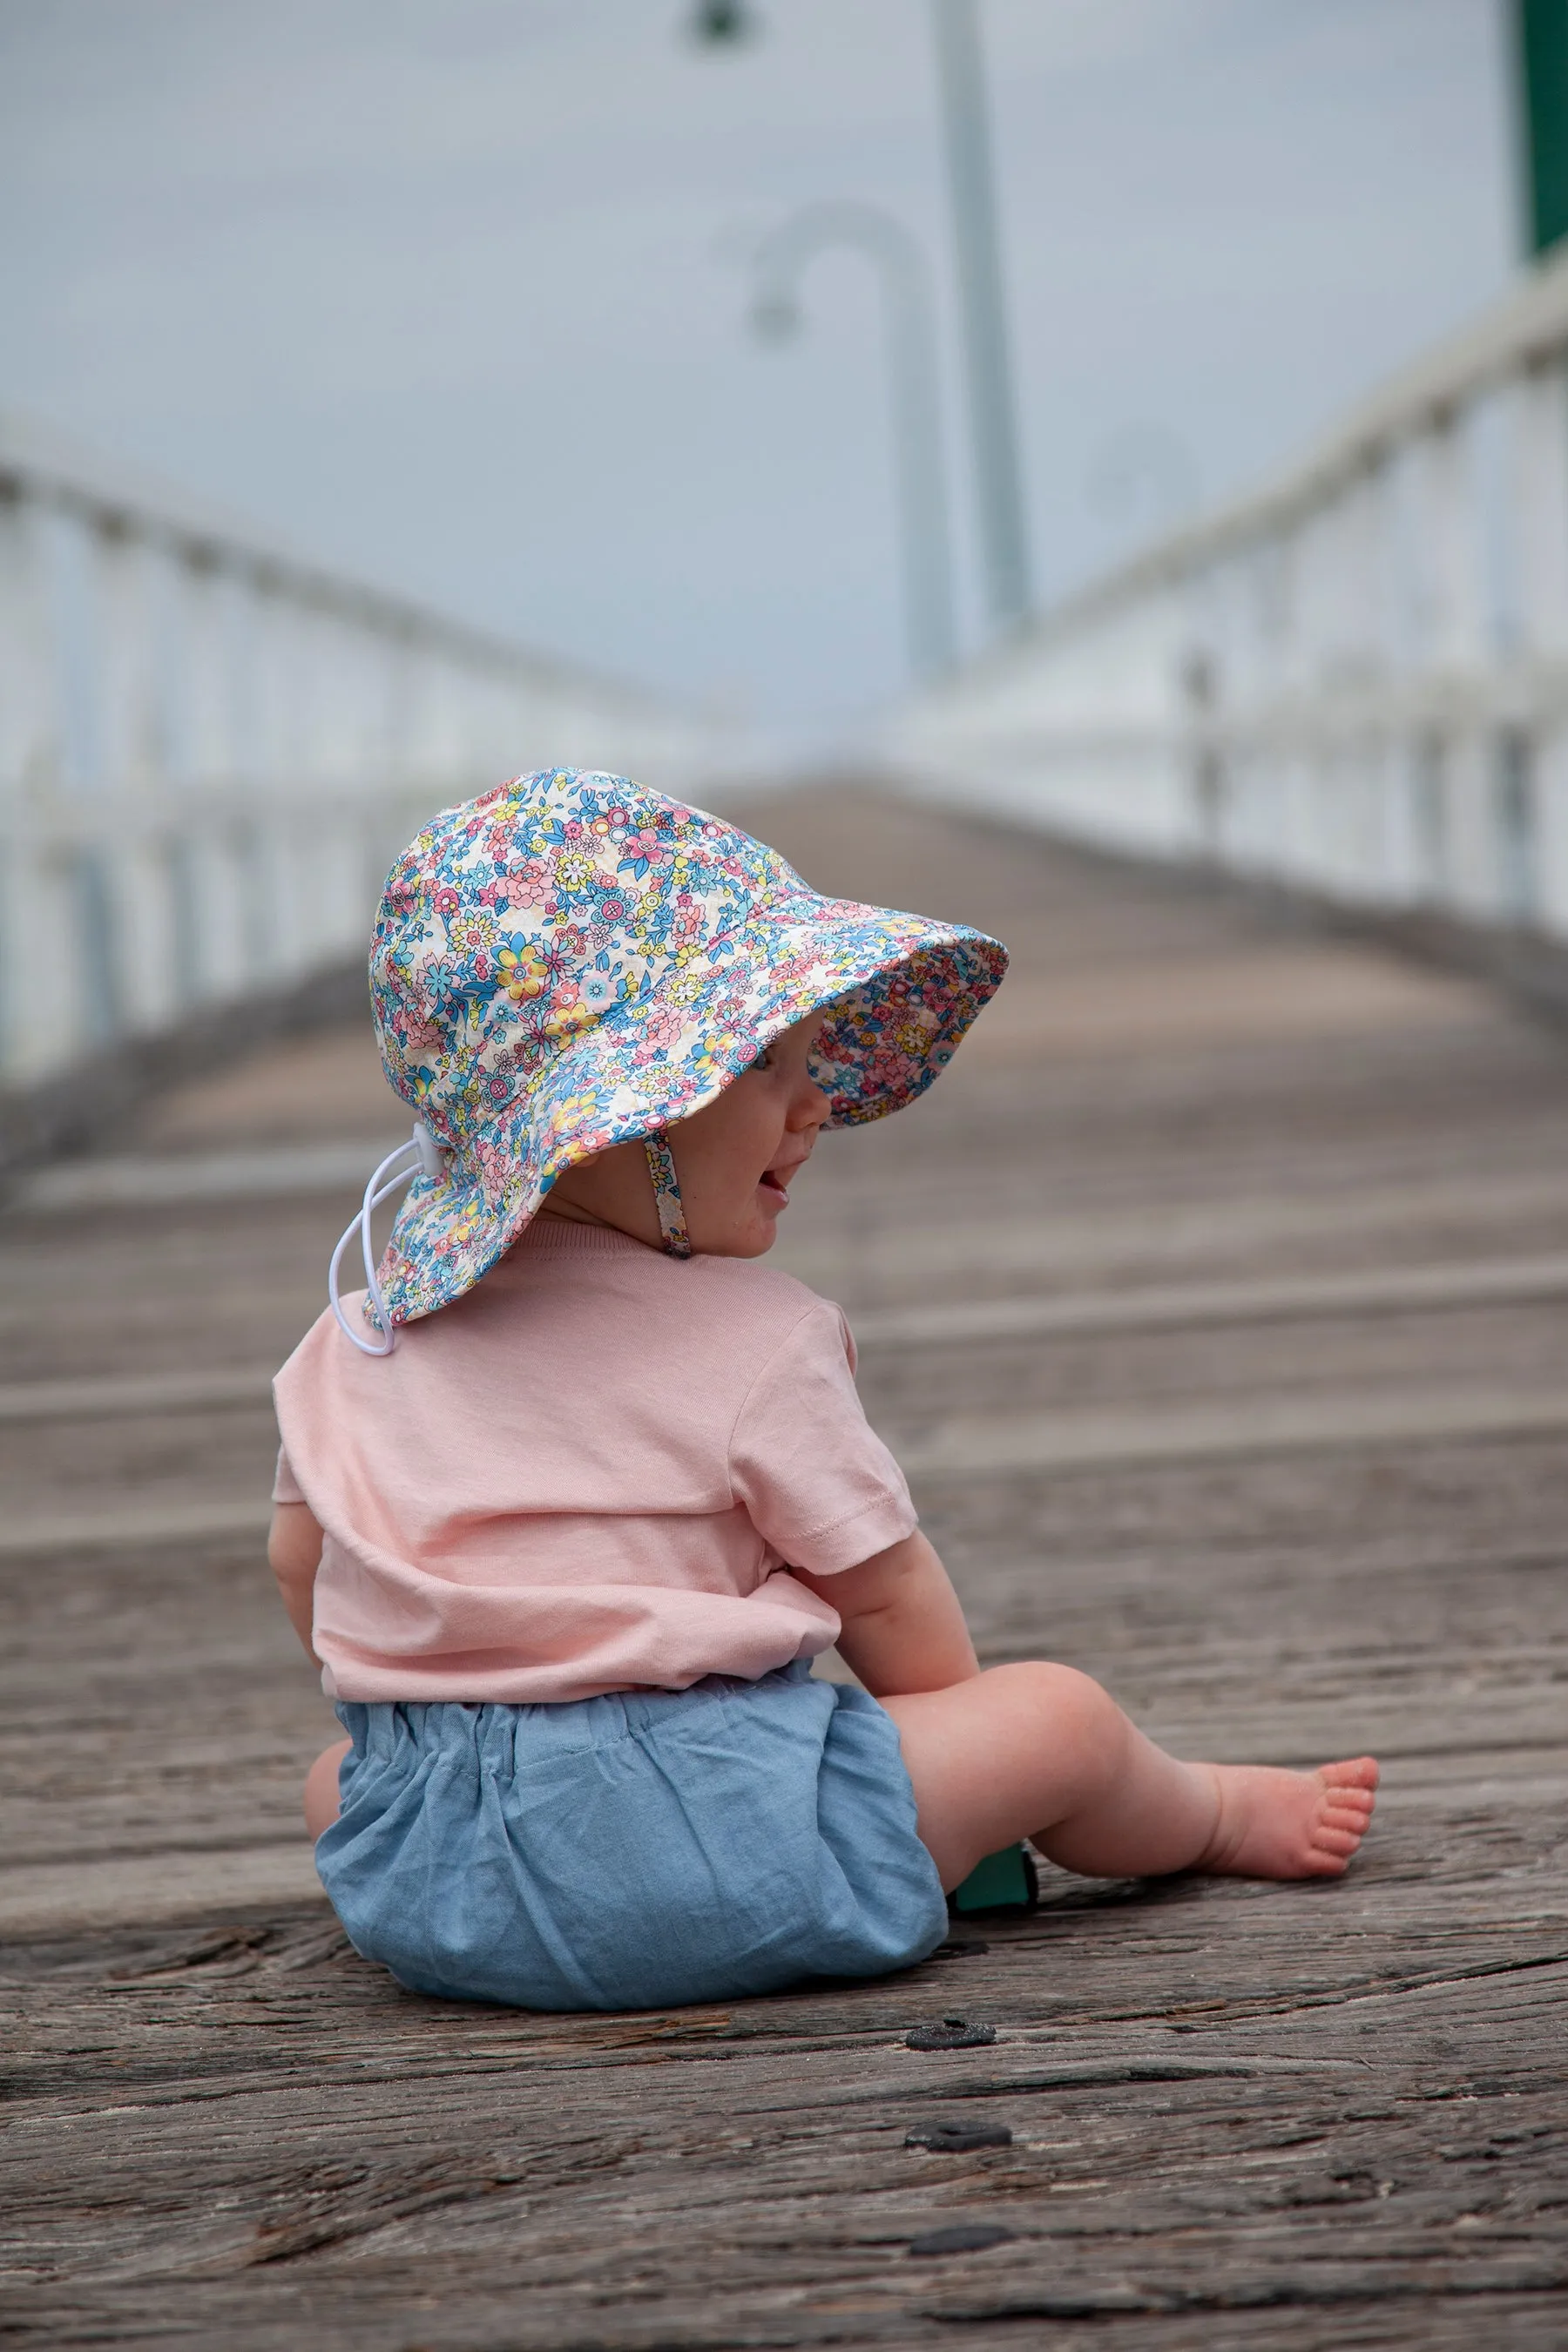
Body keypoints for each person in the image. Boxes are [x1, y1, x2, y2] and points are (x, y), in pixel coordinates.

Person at [269, 768, 1377, 2012]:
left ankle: (492, 1867)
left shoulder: (355, 1339)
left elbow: (307, 1570)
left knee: (336, 1777)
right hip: (724, 1858)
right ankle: (1212, 1812)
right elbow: (887, 1593)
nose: (817, 1106)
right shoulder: (753, 1337)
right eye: (766, 1067)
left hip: (437, 1886)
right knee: (1055, 1718)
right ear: (629, 1118)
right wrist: (966, 1792)